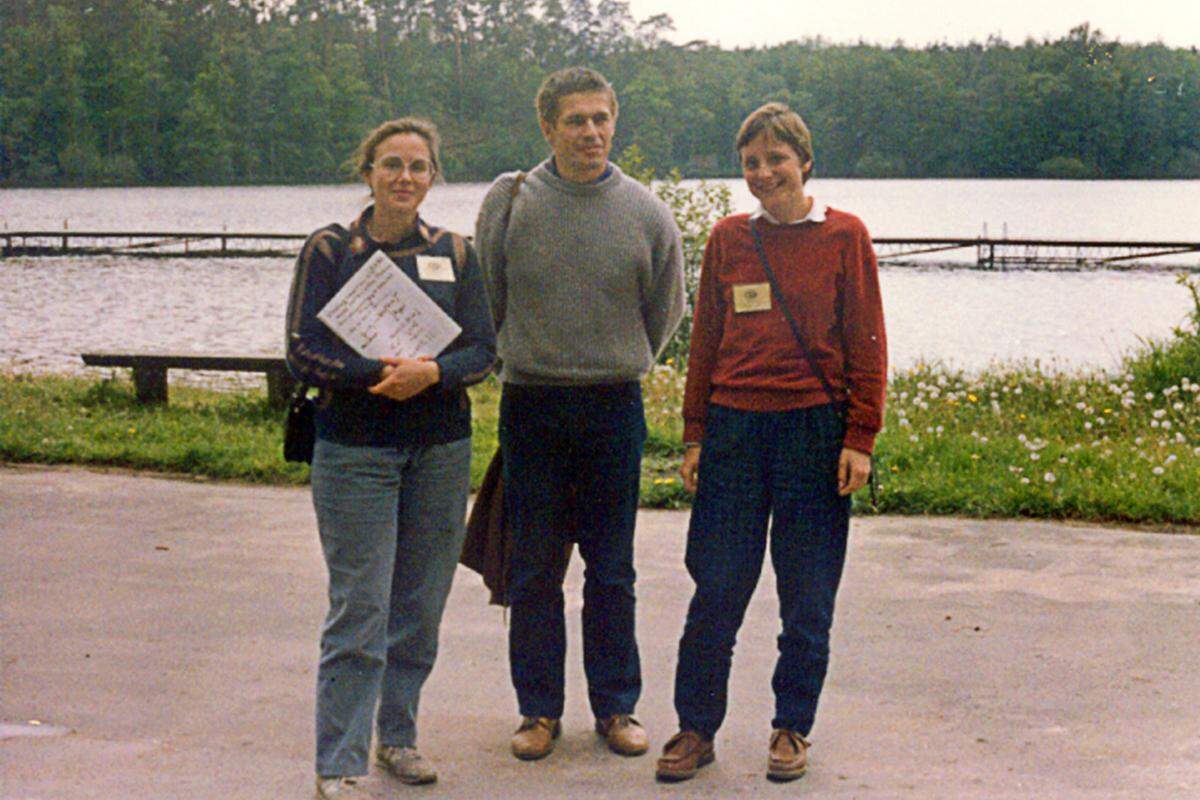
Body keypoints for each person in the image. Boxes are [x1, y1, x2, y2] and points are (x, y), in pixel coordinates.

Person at [655, 102, 887, 783]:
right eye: (751, 162)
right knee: (718, 587)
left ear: (804, 162)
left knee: (807, 590)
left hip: (815, 430)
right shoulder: (729, 239)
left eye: (776, 159)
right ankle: (696, 728)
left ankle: (791, 726)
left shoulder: (845, 236)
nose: (763, 172)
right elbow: (704, 346)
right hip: (734, 428)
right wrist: (694, 434)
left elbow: (866, 342)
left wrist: (860, 437)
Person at [474, 67, 685, 762]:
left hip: (613, 407)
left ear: (615, 122)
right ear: (548, 127)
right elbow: (489, 301)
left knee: (612, 569)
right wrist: (529, 356)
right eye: (575, 120)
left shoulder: (647, 212)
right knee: (534, 569)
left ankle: (617, 706)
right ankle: (538, 712)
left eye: (600, 118)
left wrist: (616, 358)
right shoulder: (511, 202)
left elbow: (664, 313)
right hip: (532, 402)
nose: (590, 132)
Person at [285, 118, 496, 799]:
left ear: (433, 176)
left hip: (440, 447)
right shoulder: (328, 250)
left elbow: (482, 352)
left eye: (418, 166)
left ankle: (398, 738)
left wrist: (430, 375)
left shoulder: (458, 253)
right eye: (391, 164)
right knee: (360, 607)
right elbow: (303, 350)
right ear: (367, 171)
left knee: (420, 605)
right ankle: (340, 762)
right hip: (353, 451)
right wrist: (380, 371)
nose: (404, 177)